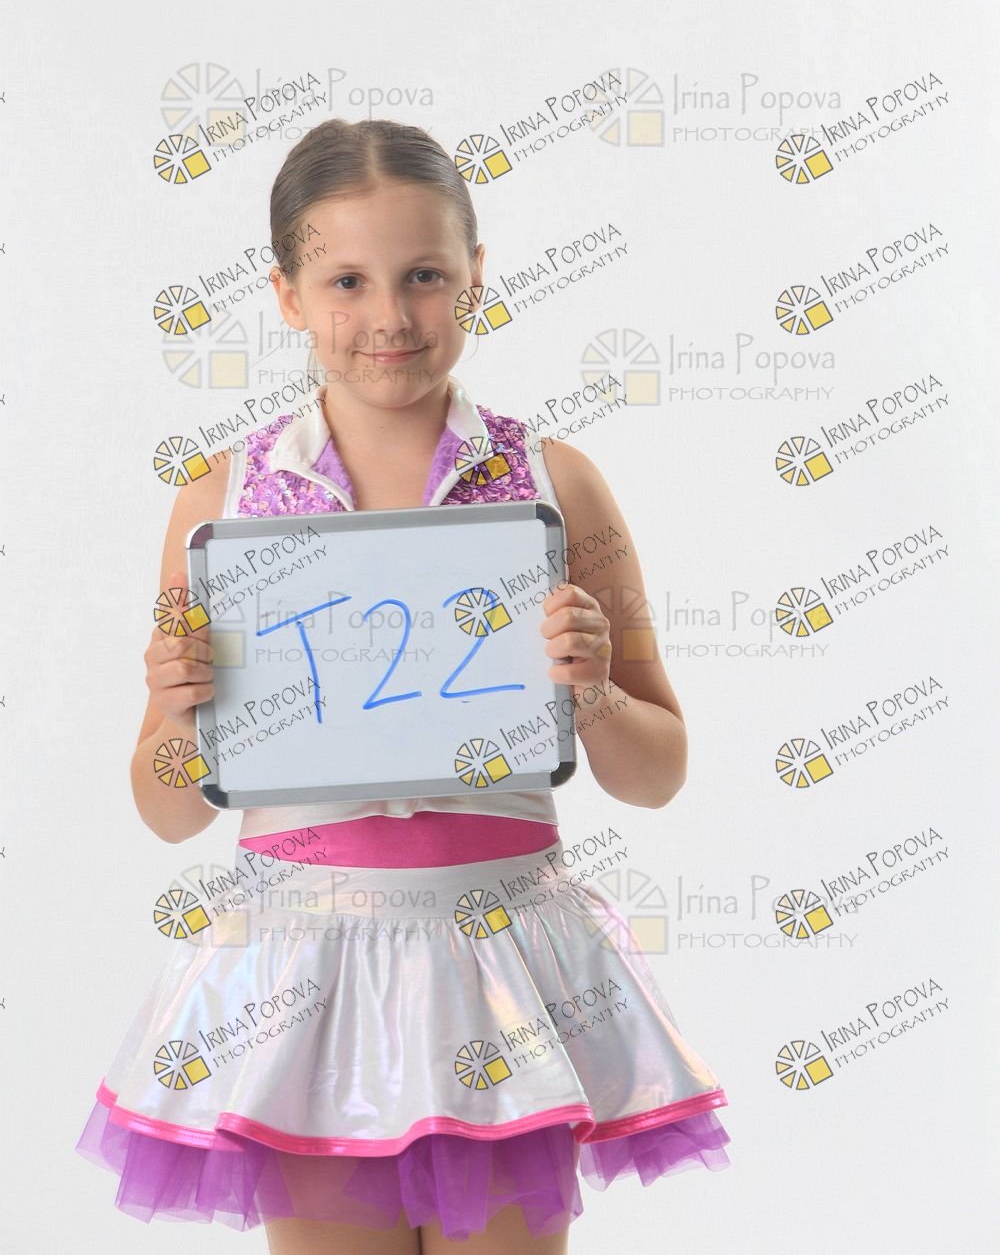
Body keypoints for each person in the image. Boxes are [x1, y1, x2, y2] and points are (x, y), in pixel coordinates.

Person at [76, 118, 731, 1253]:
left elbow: (657, 772)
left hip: (502, 954)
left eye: (424, 274)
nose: (389, 316)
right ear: (287, 295)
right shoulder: (223, 499)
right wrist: (183, 712)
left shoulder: (555, 483)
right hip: (303, 963)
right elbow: (168, 806)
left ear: (476, 272)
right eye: (347, 281)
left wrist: (590, 690)